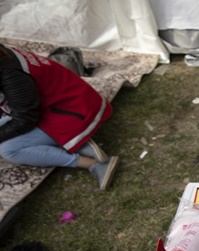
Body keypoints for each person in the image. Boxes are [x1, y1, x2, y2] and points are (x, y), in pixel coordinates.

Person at [0, 44, 119, 190]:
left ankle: (93, 163)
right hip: (59, 104)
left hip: (74, 110)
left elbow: (25, 119)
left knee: (9, 149)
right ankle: (75, 143)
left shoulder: (10, 73)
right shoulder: (4, 55)